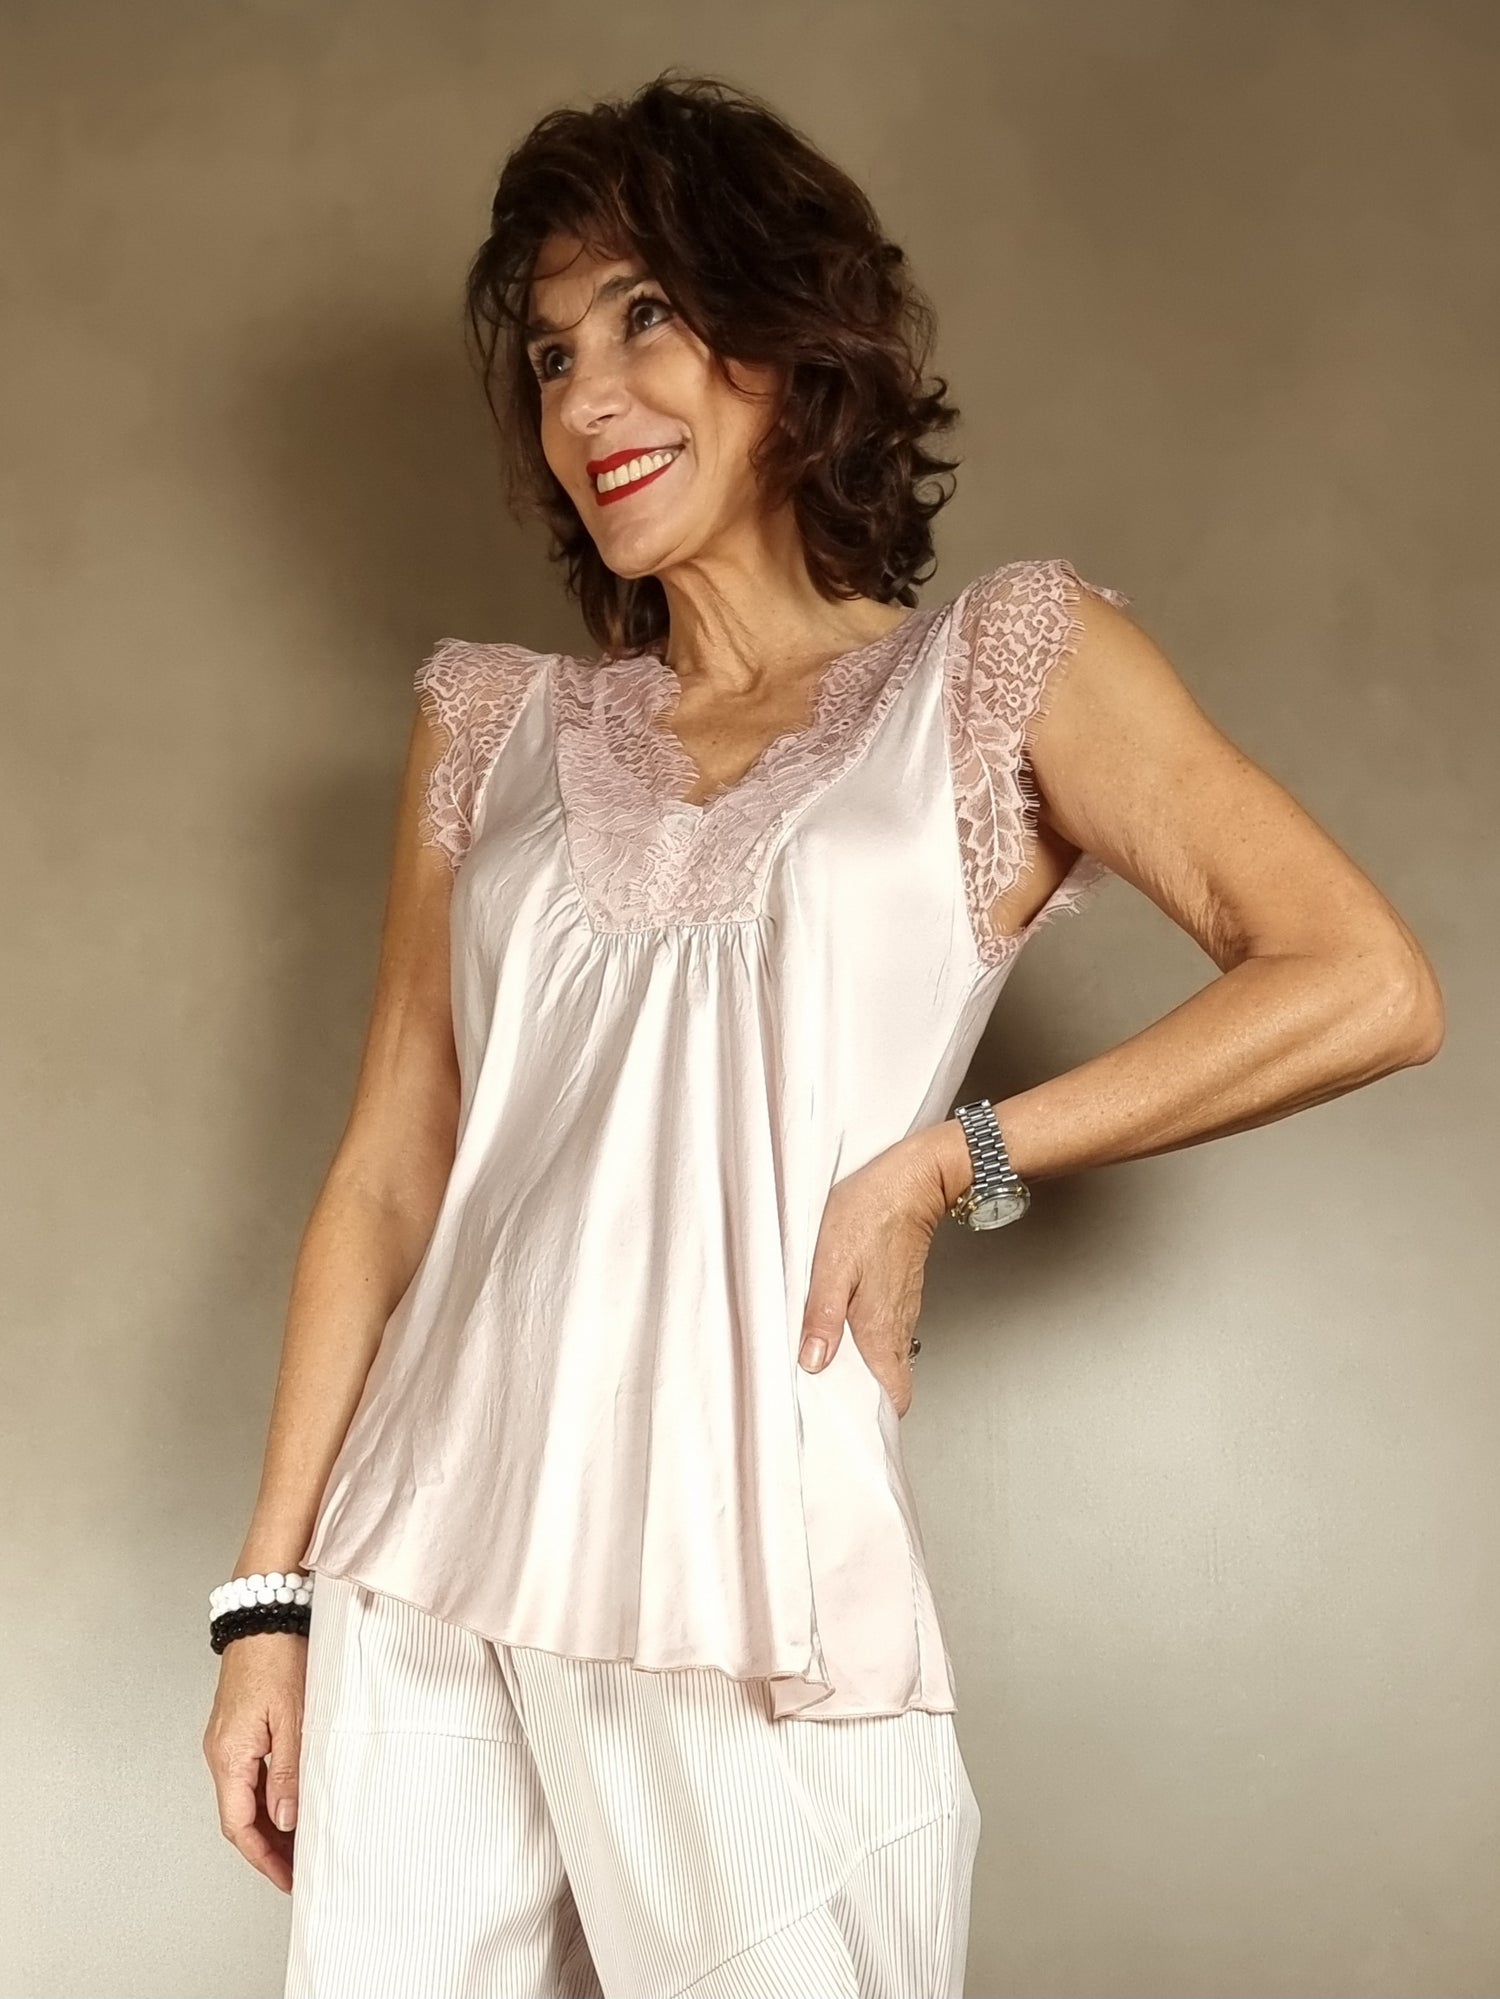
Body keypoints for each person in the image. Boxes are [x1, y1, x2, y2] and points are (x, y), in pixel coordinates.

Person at [200, 71, 1445, 1999]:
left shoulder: (997, 671)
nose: (588, 399)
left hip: (743, 1566)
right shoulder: (492, 730)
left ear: (791, 338)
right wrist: (267, 1605)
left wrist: (959, 1161)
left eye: (645, 317)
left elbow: (1361, 978)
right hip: (417, 1561)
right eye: (551, 355)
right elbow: (389, 1171)